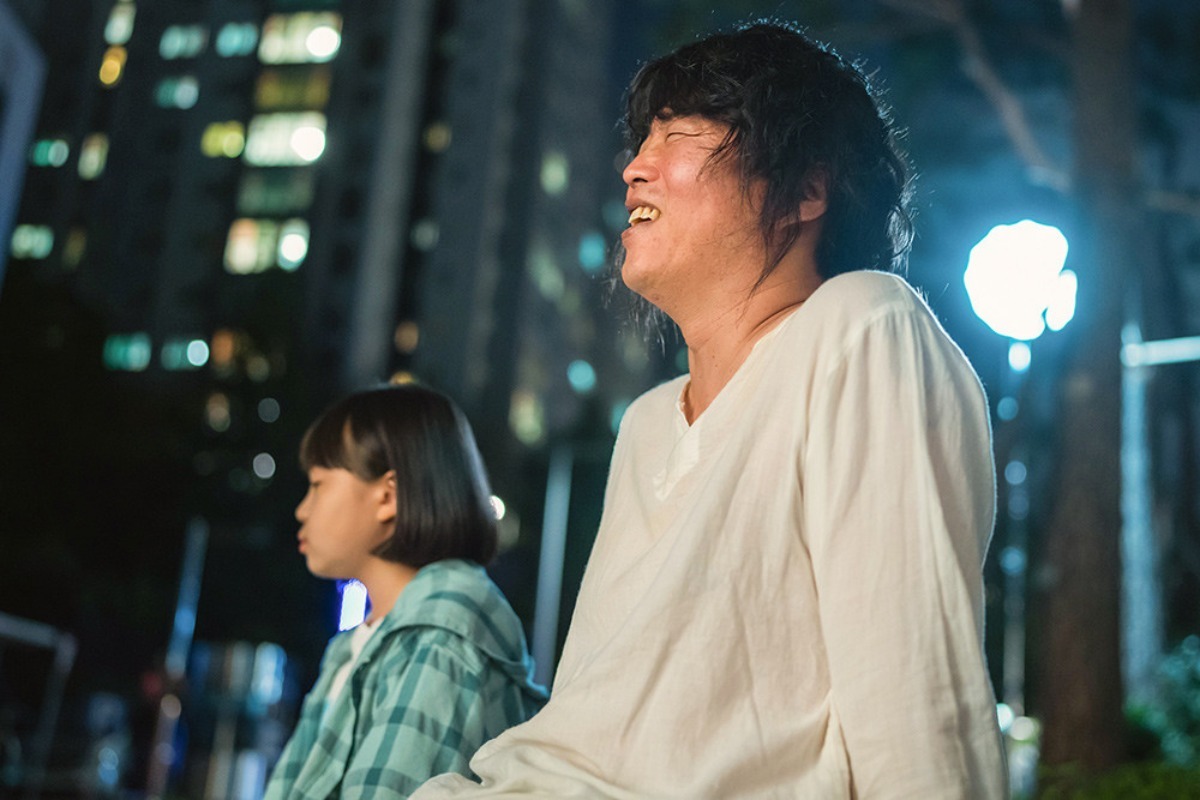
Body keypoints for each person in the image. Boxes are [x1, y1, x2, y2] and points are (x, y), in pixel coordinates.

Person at [415, 19, 1006, 800]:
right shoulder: (647, 424)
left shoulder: (863, 325)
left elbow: (914, 699)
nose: (635, 169)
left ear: (806, 191)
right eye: (642, 141)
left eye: (679, 136)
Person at [263, 384, 547, 800]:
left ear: (388, 496)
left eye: (318, 485)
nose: (302, 509)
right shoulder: (357, 647)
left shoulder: (442, 637)